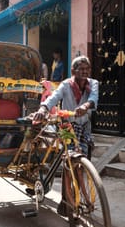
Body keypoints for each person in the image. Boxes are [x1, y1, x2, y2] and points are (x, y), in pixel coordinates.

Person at [33, 55, 99, 216]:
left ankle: (76, 198)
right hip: (67, 125)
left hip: (84, 126)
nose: (84, 72)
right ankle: (66, 200)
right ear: (72, 71)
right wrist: (43, 109)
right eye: (80, 69)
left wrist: (85, 106)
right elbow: (53, 99)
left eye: (87, 69)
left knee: (81, 163)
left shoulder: (93, 83)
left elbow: (93, 99)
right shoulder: (65, 85)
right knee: (70, 161)